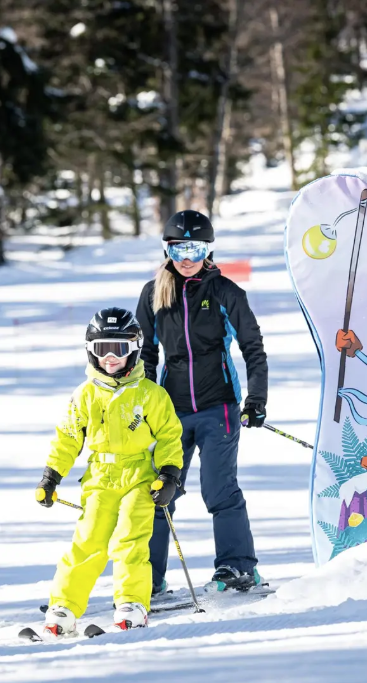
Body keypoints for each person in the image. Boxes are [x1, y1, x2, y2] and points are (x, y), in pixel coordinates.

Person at [136, 210, 268, 593]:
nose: (187, 258)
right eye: (178, 249)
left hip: (219, 408)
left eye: (195, 248)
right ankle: (148, 577)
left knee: (219, 489)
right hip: (169, 413)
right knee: (160, 491)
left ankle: (237, 567)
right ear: (168, 251)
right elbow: (145, 354)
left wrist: (255, 398)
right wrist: (145, 406)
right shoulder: (153, 294)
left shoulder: (225, 292)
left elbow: (253, 349)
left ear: (208, 250)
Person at [34, 307, 183, 638]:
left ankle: (132, 603)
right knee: (89, 539)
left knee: (131, 537)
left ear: (134, 349)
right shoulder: (86, 394)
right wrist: (51, 476)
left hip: (141, 477)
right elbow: (68, 438)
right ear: (91, 351)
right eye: (102, 349)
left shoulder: (151, 395)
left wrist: (170, 475)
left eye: (119, 348)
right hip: (100, 477)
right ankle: (65, 607)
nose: (111, 357)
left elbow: (170, 437)